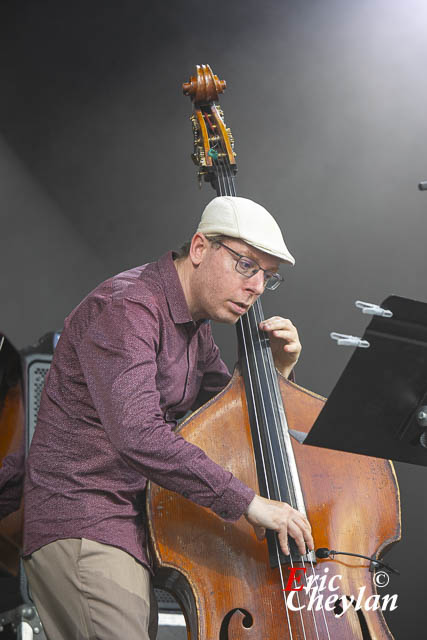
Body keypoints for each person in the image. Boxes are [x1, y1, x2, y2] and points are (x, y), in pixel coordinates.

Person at [23, 195, 313, 640]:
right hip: (85, 520)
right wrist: (250, 504)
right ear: (200, 248)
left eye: (266, 278)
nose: (256, 287)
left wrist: (276, 369)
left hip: (134, 529)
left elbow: (226, 417)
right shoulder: (128, 308)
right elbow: (139, 433)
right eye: (245, 265)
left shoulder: (195, 331)